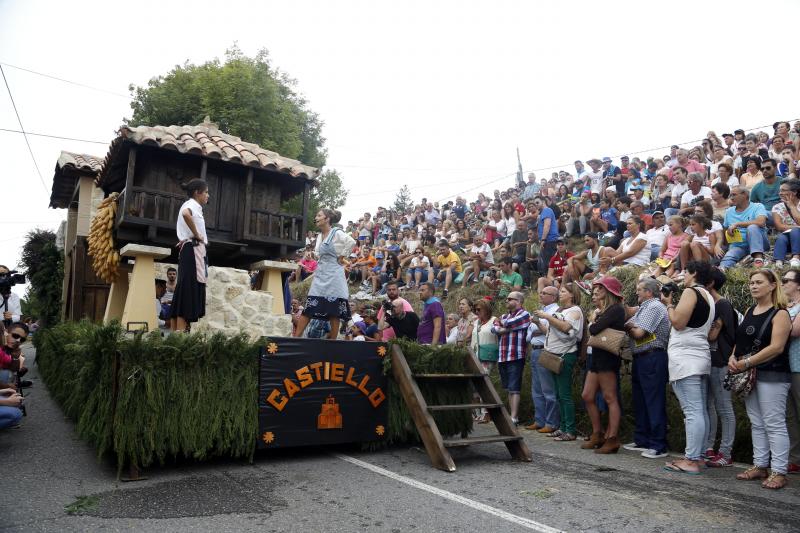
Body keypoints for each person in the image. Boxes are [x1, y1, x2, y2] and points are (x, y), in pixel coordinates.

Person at [731, 269, 792, 490]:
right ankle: (760, 465)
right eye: (751, 283)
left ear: (773, 285)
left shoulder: (780, 313)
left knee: (774, 423)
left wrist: (746, 363)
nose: (753, 286)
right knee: (757, 422)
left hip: (773, 373)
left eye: (759, 282)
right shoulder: (750, 309)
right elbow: (741, 340)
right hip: (751, 373)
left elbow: (777, 347)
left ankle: (779, 471)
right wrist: (732, 356)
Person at [662, 261, 715, 475]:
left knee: (692, 412)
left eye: (685, 272)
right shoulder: (709, 296)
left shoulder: (691, 291)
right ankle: (698, 455)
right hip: (700, 357)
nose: (683, 275)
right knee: (699, 410)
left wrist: (668, 304)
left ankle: (692, 459)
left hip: (685, 358)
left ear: (693, 274)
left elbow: (678, 322)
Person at [623, 278, 671, 459]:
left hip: (652, 356)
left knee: (653, 400)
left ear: (649, 292)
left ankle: (659, 445)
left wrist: (629, 327)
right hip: (642, 357)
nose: (637, 293)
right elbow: (631, 322)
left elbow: (638, 332)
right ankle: (642, 439)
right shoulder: (644, 308)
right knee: (641, 400)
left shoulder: (654, 307)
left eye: (639, 290)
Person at [532, 283, 584, 442]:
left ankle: (570, 430)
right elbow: (552, 332)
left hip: (564, 355)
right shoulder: (560, 310)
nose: (560, 294)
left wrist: (546, 316)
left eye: (563, 291)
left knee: (565, 394)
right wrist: (538, 323)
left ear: (572, 294)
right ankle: (562, 427)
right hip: (553, 354)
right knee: (558, 394)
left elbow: (565, 327)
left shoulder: (575, 311)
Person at [294, 208, 356, 339]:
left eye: (319, 215)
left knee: (334, 311)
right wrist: (314, 256)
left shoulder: (336, 232)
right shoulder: (319, 236)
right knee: (309, 307)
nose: (316, 218)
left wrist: (342, 256)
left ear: (327, 219)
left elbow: (351, 242)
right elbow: (319, 254)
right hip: (321, 275)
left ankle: (332, 342)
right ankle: (296, 338)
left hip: (334, 275)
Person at [581, 276, 626, 454]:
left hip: (607, 358)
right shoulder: (607, 310)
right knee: (587, 395)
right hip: (599, 357)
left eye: (600, 288)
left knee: (610, 397)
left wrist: (593, 318)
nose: (596, 291)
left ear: (608, 291)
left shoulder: (615, 309)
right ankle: (597, 433)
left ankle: (612, 438)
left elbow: (593, 329)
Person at [704, 268, 738, 467]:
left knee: (724, 407)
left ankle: (725, 451)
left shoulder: (723, 304)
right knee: (709, 405)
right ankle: (709, 447)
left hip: (721, 361)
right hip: (709, 361)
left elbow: (712, 335)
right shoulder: (712, 304)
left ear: (710, 284)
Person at [169, 179, 210, 332]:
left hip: (190, 250)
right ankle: (179, 334)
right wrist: (197, 234)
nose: (207, 195)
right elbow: (186, 215)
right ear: (196, 193)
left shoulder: (192, 206)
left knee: (184, 288)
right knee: (187, 289)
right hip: (193, 250)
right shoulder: (191, 205)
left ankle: (176, 332)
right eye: (205, 192)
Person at [491, 291, 531, 425]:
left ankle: (514, 417)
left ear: (519, 301)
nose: (506, 301)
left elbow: (507, 324)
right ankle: (511, 415)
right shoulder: (505, 315)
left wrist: (501, 324)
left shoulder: (524, 314)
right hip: (503, 356)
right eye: (506, 298)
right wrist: (502, 326)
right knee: (508, 388)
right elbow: (493, 328)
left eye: (510, 299)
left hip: (515, 355)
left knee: (515, 388)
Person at [525, 286, 560, 433]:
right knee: (537, 389)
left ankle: (551, 423)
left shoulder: (555, 311)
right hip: (535, 350)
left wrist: (537, 328)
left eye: (545, 293)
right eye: (541, 292)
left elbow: (549, 332)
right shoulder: (542, 310)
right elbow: (529, 333)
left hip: (546, 350)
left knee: (548, 390)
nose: (541, 295)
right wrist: (536, 330)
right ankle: (539, 420)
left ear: (553, 297)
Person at [721, 186, 769, 270]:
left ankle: (758, 259)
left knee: (752, 227)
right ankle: (721, 270)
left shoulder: (757, 206)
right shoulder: (729, 211)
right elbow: (725, 230)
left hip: (759, 243)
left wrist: (738, 224)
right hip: (738, 245)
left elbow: (761, 222)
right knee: (729, 256)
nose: (731, 198)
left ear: (745, 195)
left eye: (734, 195)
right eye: (730, 195)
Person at [783, 269, 800, 474]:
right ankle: (795, 458)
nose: (783, 283)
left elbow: (794, 331)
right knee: (790, 416)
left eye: (786, 280)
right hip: (785, 367)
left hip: (798, 366)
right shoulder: (787, 307)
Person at [772, 179, 800, 268]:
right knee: (781, 237)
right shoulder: (777, 207)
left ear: (794, 192)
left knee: (795, 231)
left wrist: (791, 206)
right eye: (780, 190)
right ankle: (779, 262)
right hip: (788, 239)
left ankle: (796, 257)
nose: (780, 193)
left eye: (783, 190)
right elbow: (779, 226)